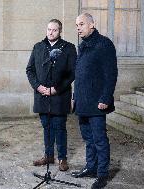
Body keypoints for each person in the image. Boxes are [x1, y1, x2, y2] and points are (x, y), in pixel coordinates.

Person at [71, 13, 118, 189]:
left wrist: (106, 98)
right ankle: (91, 168)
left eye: (81, 24)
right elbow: (79, 75)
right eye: (76, 25)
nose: (78, 28)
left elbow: (111, 74)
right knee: (88, 138)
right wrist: (74, 97)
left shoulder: (104, 44)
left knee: (99, 139)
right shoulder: (83, 45)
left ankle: (102, 174)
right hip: (83, 102)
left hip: (97, 102)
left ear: (92, 24)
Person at [26, 19, 77, 171]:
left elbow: (72, 73)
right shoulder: (38, 47)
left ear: (60, 31)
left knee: (60, 127)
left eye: (54, 30)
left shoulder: (68, 48)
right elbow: (30, 70)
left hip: (59, 96)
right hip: (42, 96)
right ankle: (49, 156)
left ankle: (62, 158)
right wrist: (38, 86)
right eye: (49, 29)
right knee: (46, 127)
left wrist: (56, 89)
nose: (51, 32)